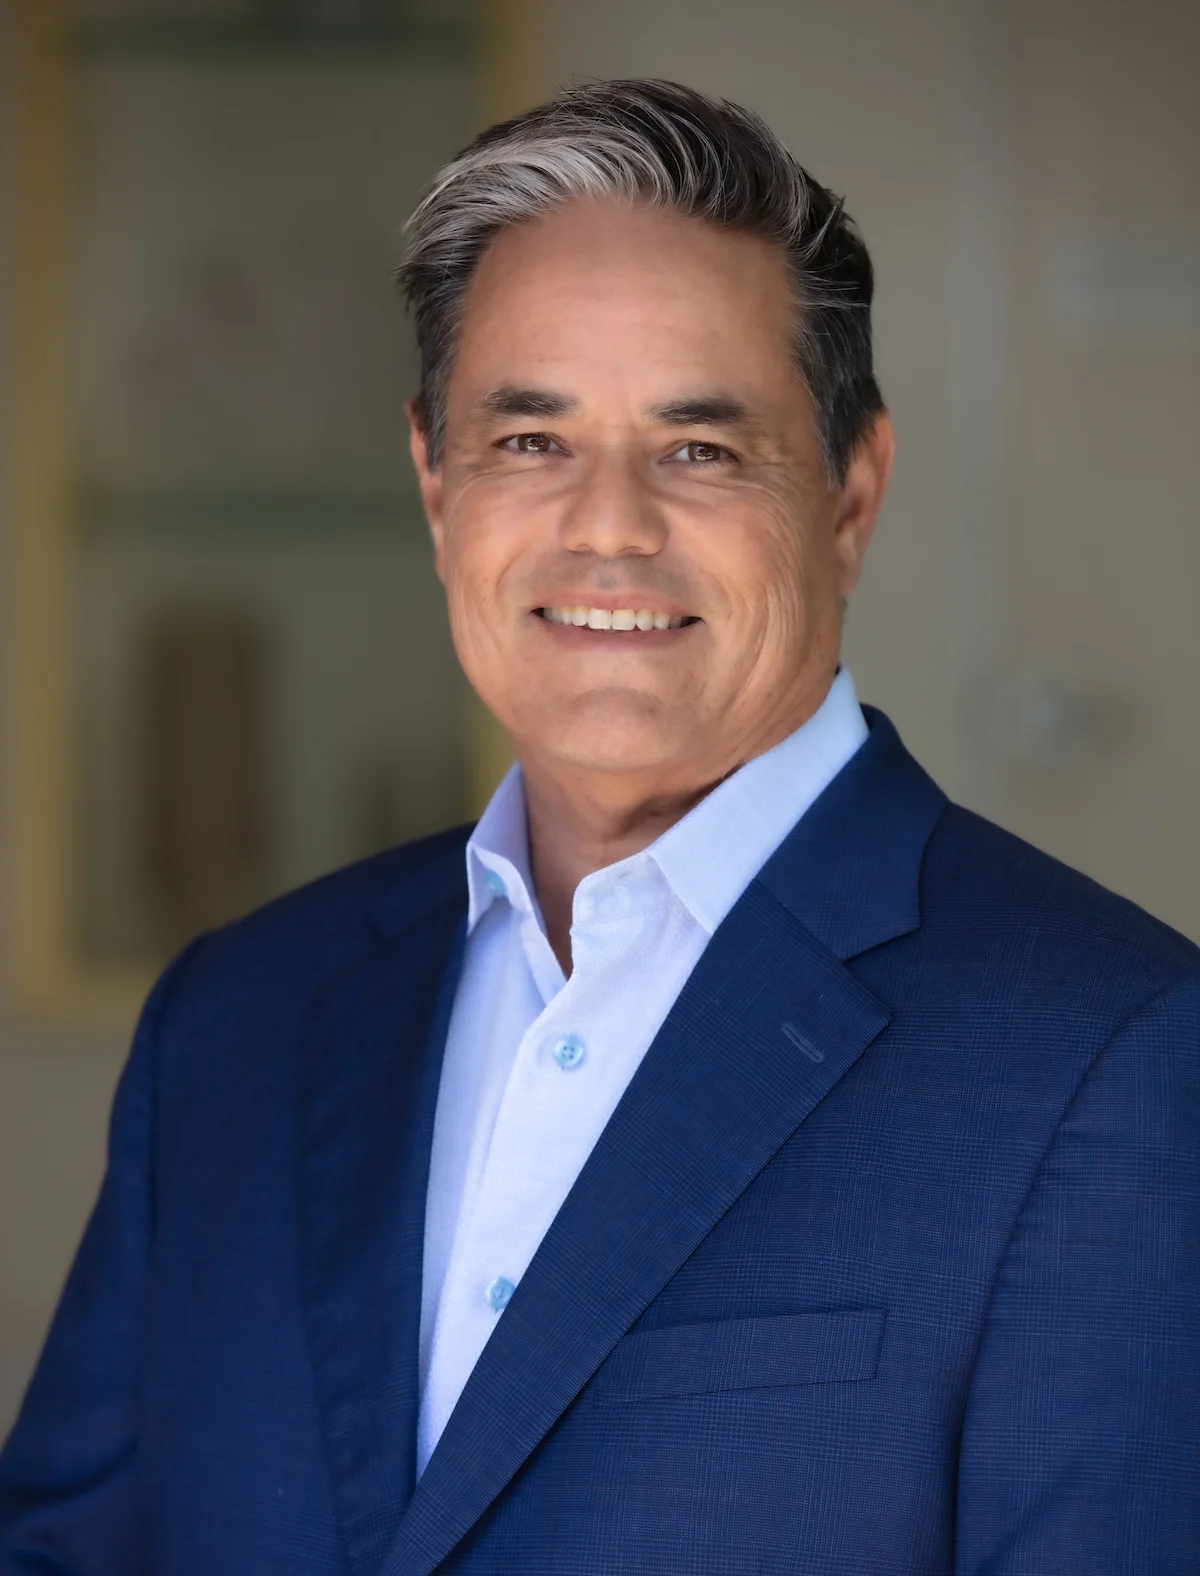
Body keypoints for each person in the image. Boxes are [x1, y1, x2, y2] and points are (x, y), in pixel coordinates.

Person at [1, 78, 1196, 1576]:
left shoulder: (1117, 1058)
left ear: (851, 494)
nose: (609, 526)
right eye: (530, 441)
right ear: (437, 488)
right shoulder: (233, 1021)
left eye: (700, 448)